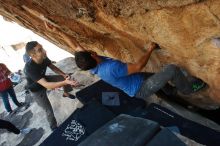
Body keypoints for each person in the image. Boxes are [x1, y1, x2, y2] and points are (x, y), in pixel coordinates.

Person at [74, 42, 206, 99]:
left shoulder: (91, 65)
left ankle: (171, 92)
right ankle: (188, 89)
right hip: (140, 89)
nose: (88, 49)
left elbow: (76, 47)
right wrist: (150, 49)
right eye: (89, 51)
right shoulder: (110, 68)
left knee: (158, 77)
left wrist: (54, 28)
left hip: (137, 79)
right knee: (171, 70)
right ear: (93, 55)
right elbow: (138, 66)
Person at [24, 41, 79, 130]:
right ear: (33, 55)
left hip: (44, 79)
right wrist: (65, 82)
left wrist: (63, 75)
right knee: (48, 109)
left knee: (62, 78)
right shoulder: (29, 68)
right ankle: (53, 127)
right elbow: (47, 86)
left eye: (42, 48)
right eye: (40, 50)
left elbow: (52, 67)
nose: (44, 51)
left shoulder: (43, 57)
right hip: (36, 89)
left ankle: (65, 93)